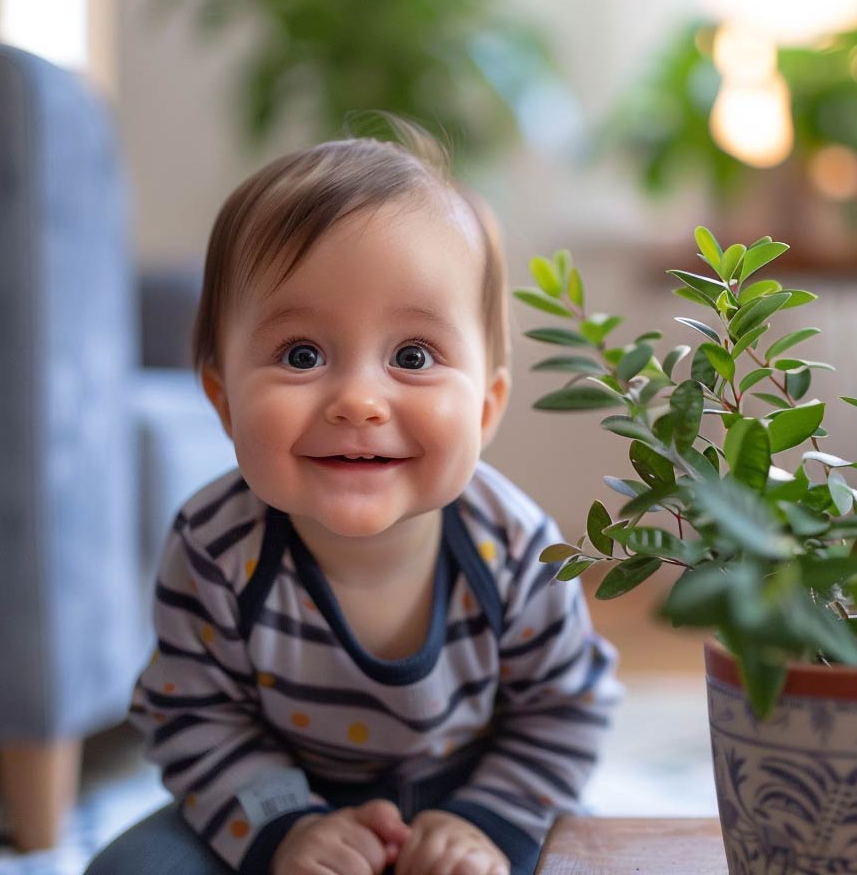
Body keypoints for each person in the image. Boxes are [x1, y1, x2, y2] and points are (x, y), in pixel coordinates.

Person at [85, 125, 622, 875]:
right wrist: (287, 830)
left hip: (478, 795)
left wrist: (481, 825)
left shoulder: (518, 544)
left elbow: (566, 708)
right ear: (224, 399)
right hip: (277, 793)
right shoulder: (215, 545)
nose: (360, 401)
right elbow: (193, 717)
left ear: (487, 408)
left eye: (412, 357)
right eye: (302, 355)